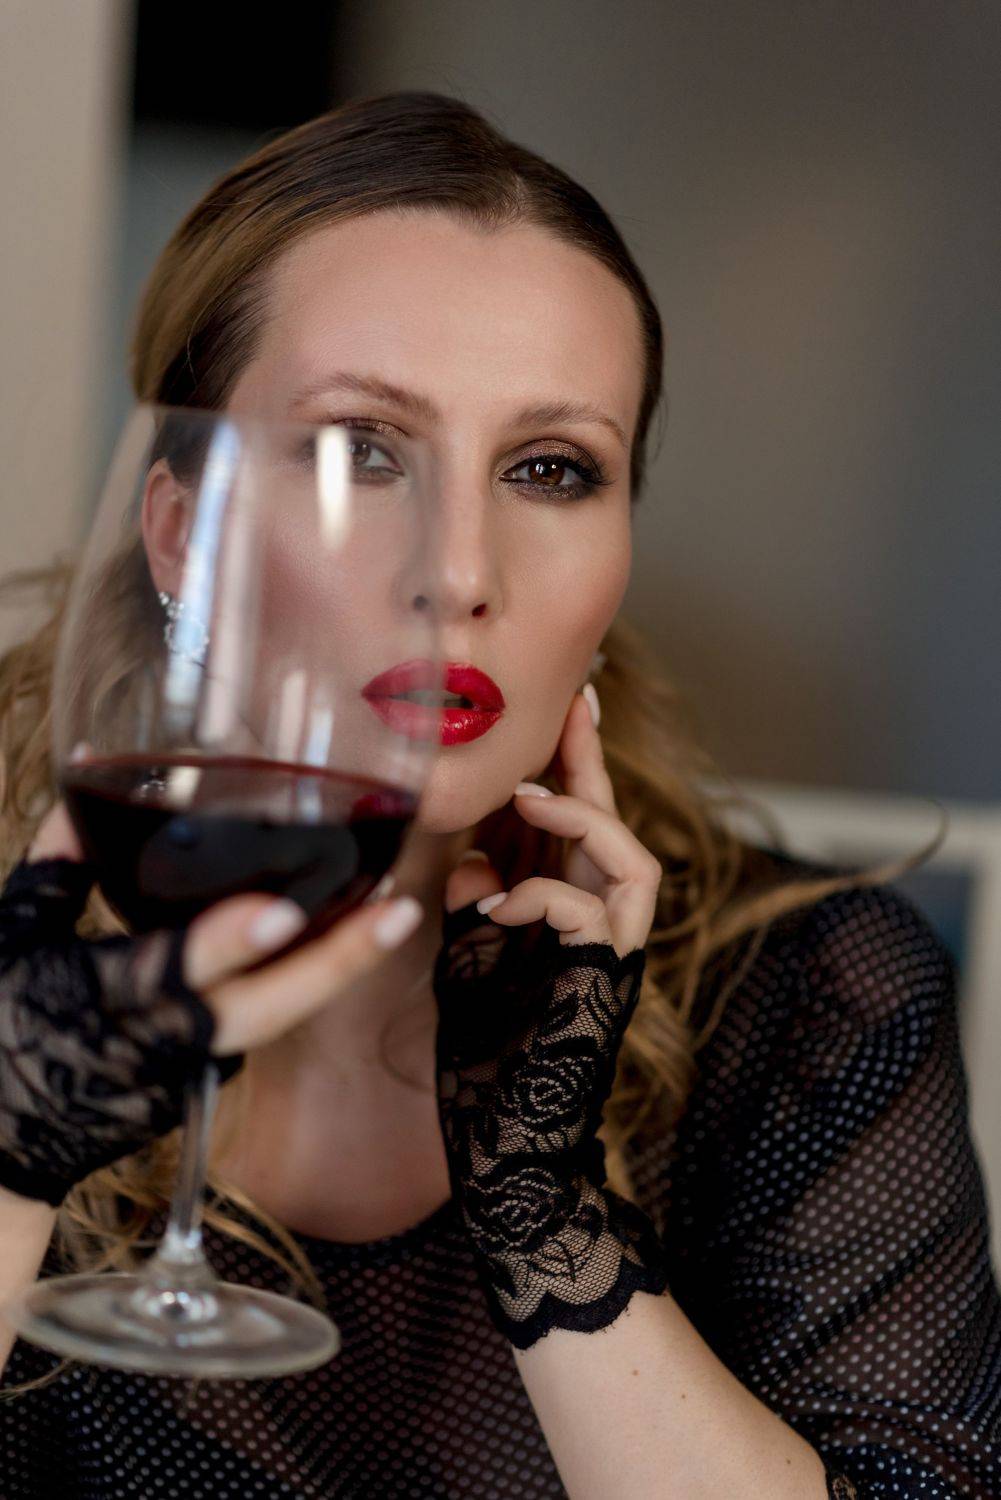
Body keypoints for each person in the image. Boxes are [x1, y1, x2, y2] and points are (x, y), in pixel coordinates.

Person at [0, 91, 998, 1500]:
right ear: (180, 534)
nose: (461, 570)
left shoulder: (811, 998)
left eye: (549, 468)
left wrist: (545, 1220)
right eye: (359, 449)